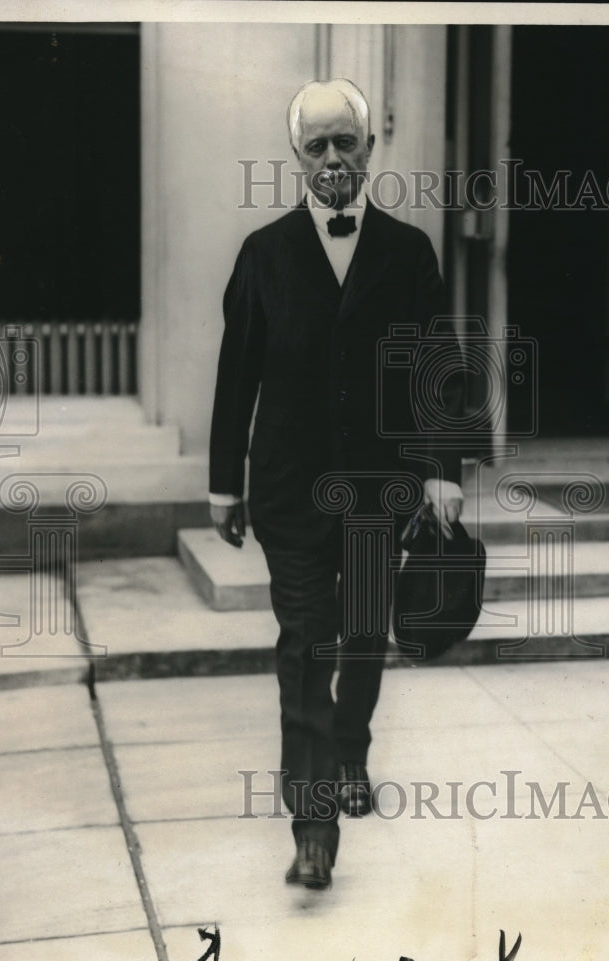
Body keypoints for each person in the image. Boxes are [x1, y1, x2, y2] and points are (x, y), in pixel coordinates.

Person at [209, 79, 464, 890]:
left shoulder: (408, 251)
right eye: (315, 145)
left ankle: (350, 753)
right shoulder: (263, 253)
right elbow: (236, 377)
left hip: (380, 490)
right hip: (288, 489)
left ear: (368, 149)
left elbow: (436, 371)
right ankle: (313, 826)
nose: (331, 159)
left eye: (343, 143)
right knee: (304, 644)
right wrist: (223, 484)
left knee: (360, 634)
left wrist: (441, 473)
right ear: (296, 156)